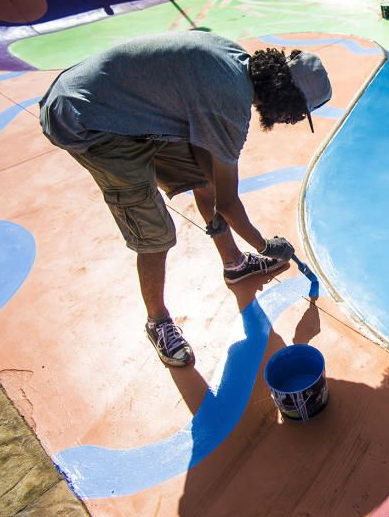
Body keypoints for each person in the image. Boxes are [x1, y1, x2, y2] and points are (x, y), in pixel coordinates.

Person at [39, 31, 332, 367]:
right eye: (294, 114)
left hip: (119, 105)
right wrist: (266, 246)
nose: (287, 121)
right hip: (88, 121)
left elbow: (206, 167)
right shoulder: (230, 105)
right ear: (286, 102)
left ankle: (235, 264)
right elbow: (229, 205)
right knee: (155, 234)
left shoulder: (234, 59)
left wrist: (211, 189)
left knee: (203, 176)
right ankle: (157, 322)